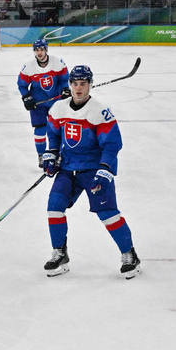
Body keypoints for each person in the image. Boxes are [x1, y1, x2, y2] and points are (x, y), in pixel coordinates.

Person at [41, 65, 140, 279]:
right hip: (68, 168)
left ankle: (129, 254)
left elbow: (112, 144)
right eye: (75, 83)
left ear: (90, 85)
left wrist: (105, 170)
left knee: (108, 214)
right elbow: (54, 134)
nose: (78, 88)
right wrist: (51, 153)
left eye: (83, 84)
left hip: (93, 169)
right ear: (70, 84)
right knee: (54, 207)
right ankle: (60, 253)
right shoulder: (59, 108)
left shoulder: (99, 111)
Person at [17, 38, 69, 167]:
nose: (39, 53)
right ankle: (41, 155)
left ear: (46, 49)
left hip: (56, 102)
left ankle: (57, 154)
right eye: (36, 50)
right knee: (40, 129)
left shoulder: (58, 62)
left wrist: (64, 90)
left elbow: (64, 79)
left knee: (58, 129)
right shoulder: (28, 67)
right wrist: (26, 97)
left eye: (41, 49)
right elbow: (22, 85)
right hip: (38, 103)